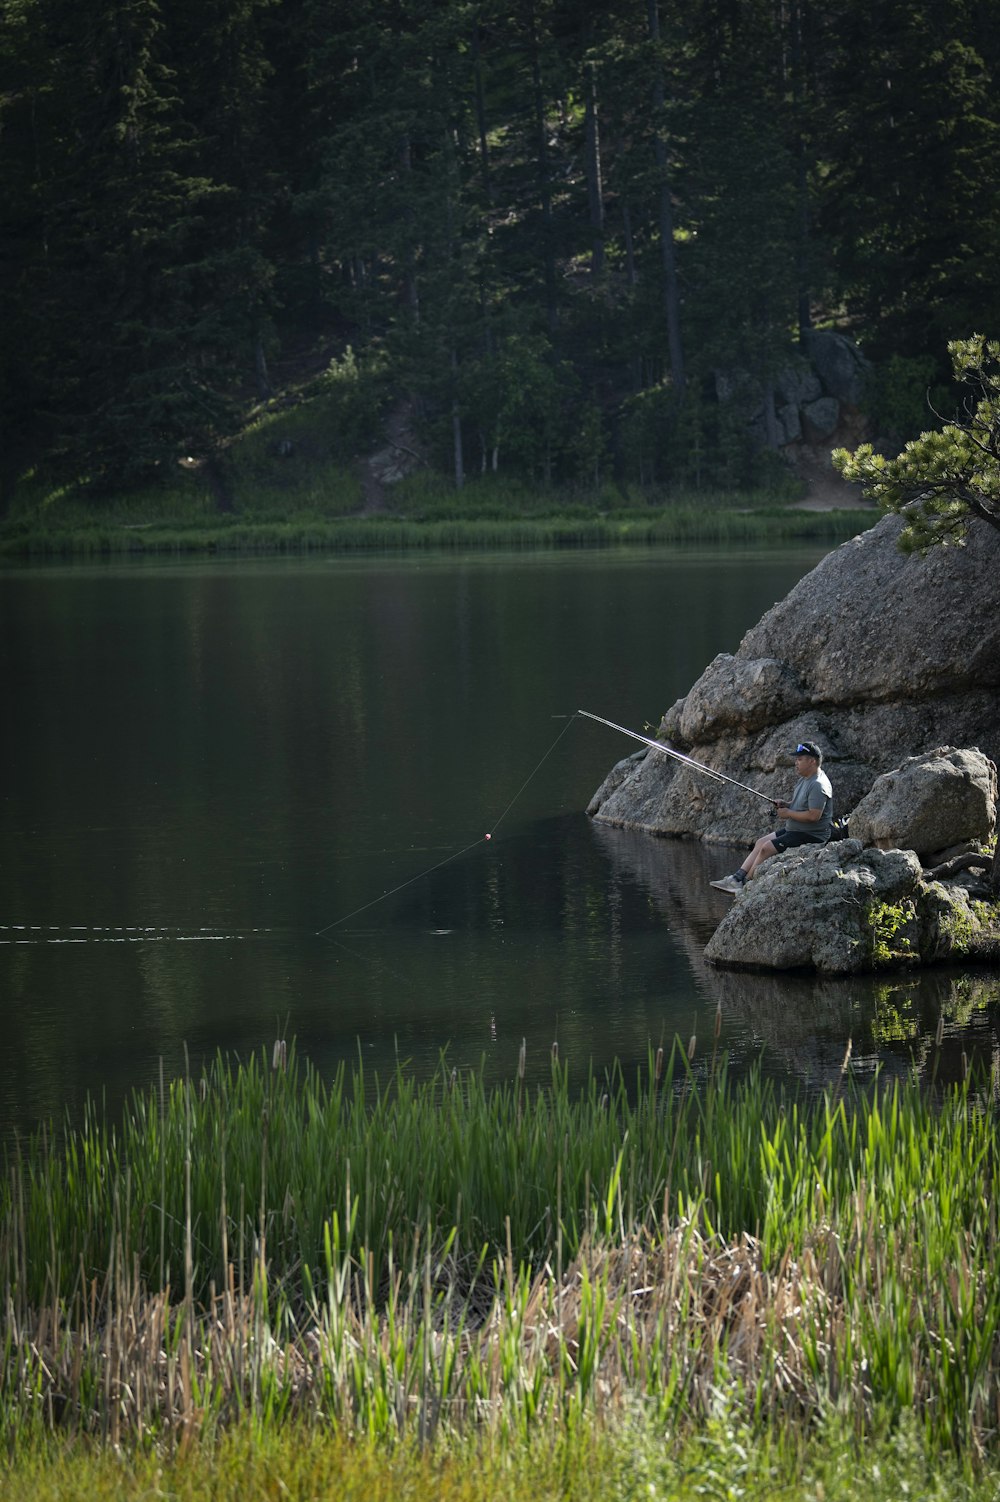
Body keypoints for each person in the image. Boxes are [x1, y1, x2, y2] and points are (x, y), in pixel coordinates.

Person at [709, 741, 833, 895]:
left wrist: (787, 813)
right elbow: (799, 805)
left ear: (812, 761)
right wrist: (786, 804)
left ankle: (745, 885)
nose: (796, 762)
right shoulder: (805, 779)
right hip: (796, 829)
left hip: (811, 835)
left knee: (767, 848)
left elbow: (814, 816)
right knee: (761, 842)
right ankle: (736, 878)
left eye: (800, 759)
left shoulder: (818, 784)